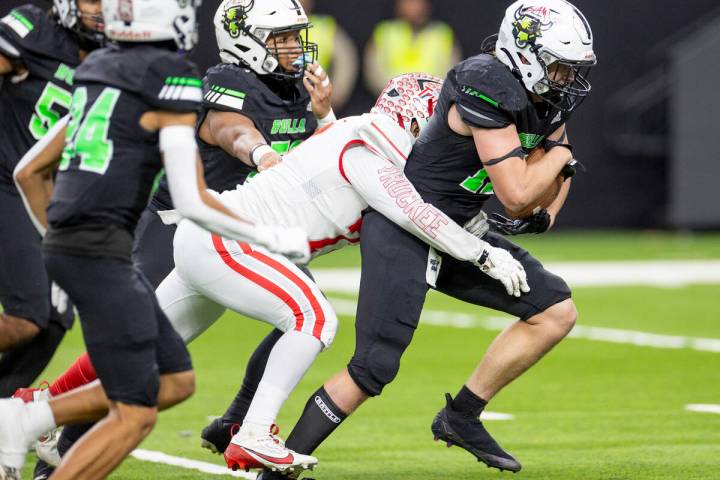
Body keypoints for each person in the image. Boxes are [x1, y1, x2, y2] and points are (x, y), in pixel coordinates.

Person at [257, 0, 596, 477]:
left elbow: (541, 206)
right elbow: (519, 194)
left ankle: (461, 415)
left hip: (461, 228)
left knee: (555, 311)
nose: (566, 81)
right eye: (559, 68)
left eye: (571, 70)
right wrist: (559, 157)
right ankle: (273, 469)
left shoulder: (542, 102)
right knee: (373, 367)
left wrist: (550, 198)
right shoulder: (487, 83)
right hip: (406, 226)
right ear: (526, 54)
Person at [12, 0, 334, 476]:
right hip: (176, 226)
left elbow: (312, 162)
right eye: (280, 37)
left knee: (164, 356)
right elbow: (230, 129)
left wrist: (324, 116)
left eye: (293, 35)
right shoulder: (225, 80)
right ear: (244, 39)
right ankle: (42, 420)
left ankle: (43, 413)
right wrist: (262, 155)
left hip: (224, 236)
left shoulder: (294, 92)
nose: (293, 47)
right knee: (134, 355)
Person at [0, 0, 103, 395]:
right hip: (7, 181)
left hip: (50, 197)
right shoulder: (33, 28)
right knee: (28, 315)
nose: (102, 10)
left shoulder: (114, 55)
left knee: (56, 317)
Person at [364, 0, 461, 95]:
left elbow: (451, 73)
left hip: (431, 102)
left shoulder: (442, 33)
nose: (412, 5)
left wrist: (426, 92)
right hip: (392, 101)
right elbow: (374, 73)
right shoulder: (384, 32)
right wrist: (398, 92)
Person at [299, 0, 358, 110]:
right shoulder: (270, 27)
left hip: (318, 98)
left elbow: (345, 63)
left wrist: (335, 96)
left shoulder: (324, 27)